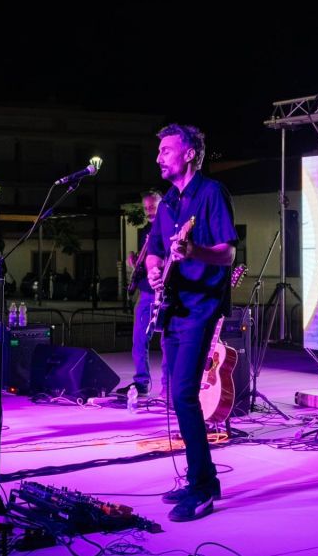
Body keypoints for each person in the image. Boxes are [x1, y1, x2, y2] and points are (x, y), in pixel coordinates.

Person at [145, 124, 238, 522]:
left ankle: (201, 489)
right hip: (174, 305)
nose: (158, 157)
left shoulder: (211, 193)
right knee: (176, 395)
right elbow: (153, 249)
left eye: (166, 150)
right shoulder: (167, 202)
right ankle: (205, 479)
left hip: (201, 307)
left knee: (184, 394)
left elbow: (228, 254)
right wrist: (152, 269)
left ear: (188, 154)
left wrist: (194, 249)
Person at [118, 190, 165, 397]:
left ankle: (169, 387)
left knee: (168, 340)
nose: (149, 211)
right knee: (139, 339)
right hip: (145, 291)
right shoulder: (145, 231)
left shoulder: (167, 228)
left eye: (153, 206)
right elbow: (145, 262)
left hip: (164, 290)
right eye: (146, 207)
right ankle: (141, 382)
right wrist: (134, 261)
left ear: (161, 205)